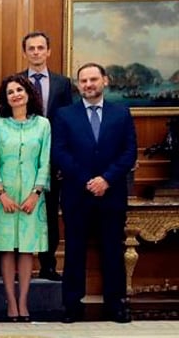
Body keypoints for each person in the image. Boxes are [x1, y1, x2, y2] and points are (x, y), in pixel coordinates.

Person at [53, 63, 136, 324]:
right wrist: (88, 180)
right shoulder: (65, 115)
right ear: (78, 85)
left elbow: (129, 153)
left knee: (112, 250)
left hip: (111, 195)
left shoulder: (121, 113)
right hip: (77, 194)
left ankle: (116, 305)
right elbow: (60, 152)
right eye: (83, 81)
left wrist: (106, 179)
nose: (88, 84)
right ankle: (71, 306)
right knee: (74, 251)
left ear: (105, 81)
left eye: (93, 79)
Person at [0, 74, 51, 322]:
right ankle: (10, 303)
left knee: (26, 251)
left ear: (28, 93)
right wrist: (2, 194)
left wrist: (36, 194)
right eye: (10, 91)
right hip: (3, 196)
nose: (16, 94)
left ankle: (24, 302)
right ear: (5, 98)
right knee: (6, 250)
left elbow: (45, 162)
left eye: (20, 90)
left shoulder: (43, 124)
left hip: (32, 197)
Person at [19, 31, 73, 281]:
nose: (36, 52)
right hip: (21, 159)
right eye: (31, 48)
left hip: (52, 160)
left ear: (48, 51)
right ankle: (22, 266)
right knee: (20, 210)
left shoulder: (63, 84)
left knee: (50, 213)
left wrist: (63, 160)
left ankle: (49, 265)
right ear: (25, 52)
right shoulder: (17, 81)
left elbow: (68, 123)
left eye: (41, 48)